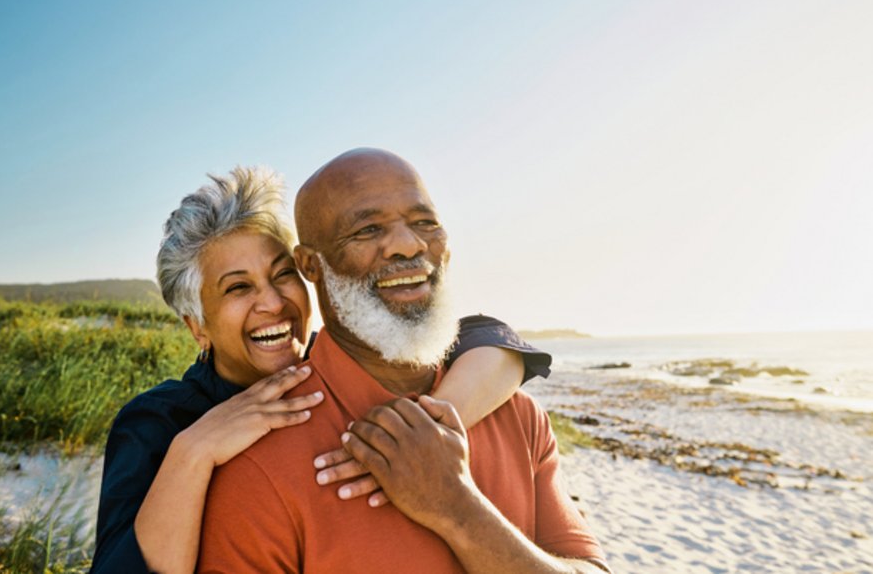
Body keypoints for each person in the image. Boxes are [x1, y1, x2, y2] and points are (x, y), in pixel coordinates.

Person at [91, 166, 551, 573]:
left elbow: (487, 337)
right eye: (237, 288)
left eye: (282, 274)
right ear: (197, 327)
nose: (272, 303)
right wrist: (193, 451)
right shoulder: (159, 422)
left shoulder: (339, 361)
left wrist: (428, 427)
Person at [197, 149, 610, 574]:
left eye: (425, 223)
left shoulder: (519, 417)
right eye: (368, 229)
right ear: (309, 265)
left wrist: (456, 507)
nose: (408, 245)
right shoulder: (256, 467)